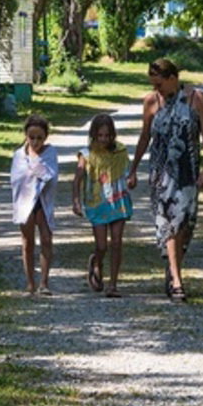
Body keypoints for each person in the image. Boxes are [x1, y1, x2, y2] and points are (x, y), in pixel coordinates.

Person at [128, 58, 203, 303]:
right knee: (171, 225)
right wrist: (133, 169)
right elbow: (145, 137)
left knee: (185, 225)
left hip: (188, 172)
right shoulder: (152, 102)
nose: (157, 90)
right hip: (161, 174)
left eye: (160, 84)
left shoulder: (196, 99)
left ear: (173, 78)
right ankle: (177, 281)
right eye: (153, 85)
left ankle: (172, 266)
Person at [72, 113, 133, 297]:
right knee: (102, 245)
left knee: (116, 242)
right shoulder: (87, 155)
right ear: (94, 135)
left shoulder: (120, 151)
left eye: (107, 136)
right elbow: (78, 179)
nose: (104, 139)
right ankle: (96, 262)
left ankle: (113, 284)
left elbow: (128, 170)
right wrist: (76, 200)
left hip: (118, 201)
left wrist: (132, 178)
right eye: (100, 136)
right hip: (97, 203)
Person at [10, 113, 58, 296]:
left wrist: (37, 169)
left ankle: (44, 283)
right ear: (26, 136)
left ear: (45, 137)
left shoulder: (50, 153)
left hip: (43, 202)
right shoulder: (19, 156)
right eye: (32, 138)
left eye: (40, 138)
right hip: (25, 203)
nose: (36, 142)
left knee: (46, 239)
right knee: (27, 242)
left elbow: (50, 175)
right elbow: (16, 179)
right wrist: (32, 171)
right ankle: (30, 282)